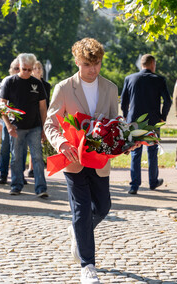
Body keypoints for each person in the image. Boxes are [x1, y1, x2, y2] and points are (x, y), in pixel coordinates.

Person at [44, 37, 122, 283]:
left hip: (99, 161)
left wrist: (122, 141)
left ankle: (78, 231)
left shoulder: (110, 88)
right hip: (73, 159)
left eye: (97, 63)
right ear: (77, 61)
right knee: (80, 210)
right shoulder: (64, 88)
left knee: (103, 207)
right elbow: (50, 123)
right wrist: (61, 143)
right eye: (88, 64)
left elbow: (113, 122)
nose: (93, 69)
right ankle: (88, 266)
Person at [120, 54, 172, 195]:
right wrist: (163, 116)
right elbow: (168, 101)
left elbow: (124, 101)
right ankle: (153, 181)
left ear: (141, 64)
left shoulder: (129, 78)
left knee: (135, 152)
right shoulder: (159, 79)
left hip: (134, 121)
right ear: (152, 64)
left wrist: (125, 115)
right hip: (153, 121)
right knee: (152, 151)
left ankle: (134, 185)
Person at [0, 53, 48, 197]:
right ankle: (16, 185)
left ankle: (41, 189)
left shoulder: (37, 83)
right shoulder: (10, 82)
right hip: (16, 127)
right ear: (18, 67)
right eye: (24, 69)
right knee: (16, 158)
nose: (26, 72)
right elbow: (2, 106)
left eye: (29, 69)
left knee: (37, 157)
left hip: (34, 126)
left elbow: (43, 108)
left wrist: (44, 128)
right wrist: (8, 125)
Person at [0, 58, 22, 184]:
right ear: (10, 70)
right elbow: (1, 104)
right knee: (5, 148)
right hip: (7, 121)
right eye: (16, 68)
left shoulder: (25, 82)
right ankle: (3, 174)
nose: (18, 71)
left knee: (20, 150)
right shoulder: (6, 81)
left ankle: (19, 175)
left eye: (20, 68)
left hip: (21, 122)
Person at [26, 60, 52, 178]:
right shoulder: (27, 84)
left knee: (38, 144)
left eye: (39, 68)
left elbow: (48, 103)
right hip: (30, 116)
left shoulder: (46, 85)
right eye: (35, 68)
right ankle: (31, 168)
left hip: (42, 115)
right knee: (31, 143)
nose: (38, 70)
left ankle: (35, 168)